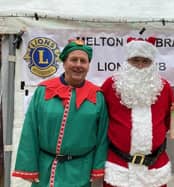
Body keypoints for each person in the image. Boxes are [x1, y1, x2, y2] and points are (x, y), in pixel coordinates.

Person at [12, 39, 109, 187]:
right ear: (64, 63)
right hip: (46, 170)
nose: (78, 65)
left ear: (88, 66)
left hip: (81, 171)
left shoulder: (97, 96)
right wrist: (29, 167)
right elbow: (30, 131)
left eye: (83, 61)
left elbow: (102, 137)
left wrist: (97, 169)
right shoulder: (43, 91)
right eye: (73, 60)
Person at [101, 37, 174, 187]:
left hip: (154, 167)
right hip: (119, 166)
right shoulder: (111, 85)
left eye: (145, 61)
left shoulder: (164, 87)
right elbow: (100, 121)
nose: (140, 66)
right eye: (135, 60)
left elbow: (171, 122)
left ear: (152, 63)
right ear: (127, 61)